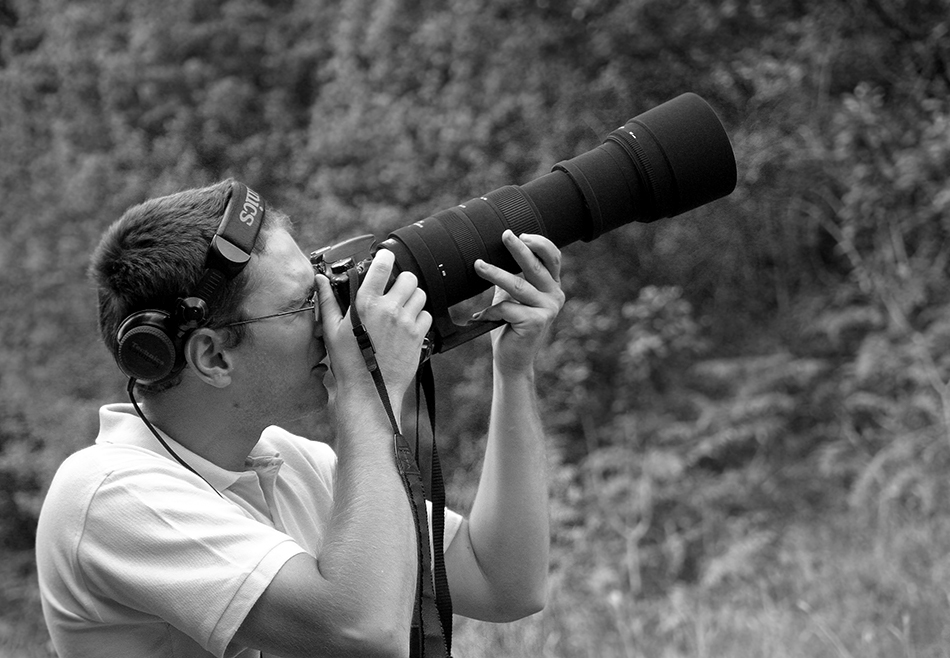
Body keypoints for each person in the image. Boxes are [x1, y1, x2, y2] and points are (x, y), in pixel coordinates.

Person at [35, 179, 565, 658]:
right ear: (213, 357)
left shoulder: (287, 463)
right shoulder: (107, 496)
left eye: (323, 284)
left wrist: (513, 370)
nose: (331, 320)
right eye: (303, 304)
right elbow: (364, 630)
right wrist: (370, 395)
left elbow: (503, 582)